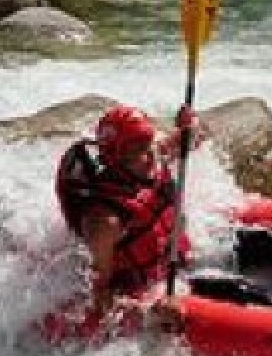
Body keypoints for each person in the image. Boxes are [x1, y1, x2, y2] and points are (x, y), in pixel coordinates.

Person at [54, 103, 203, 336]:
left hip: (179, 265)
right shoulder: (104, 221)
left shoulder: (152, 159)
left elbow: (191, 138)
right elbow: (97, 299)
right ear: (115, 159)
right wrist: (149, 312)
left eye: (148, 144)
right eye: (136, 151)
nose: (148, 157)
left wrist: (189, 124)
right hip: (141, 290)